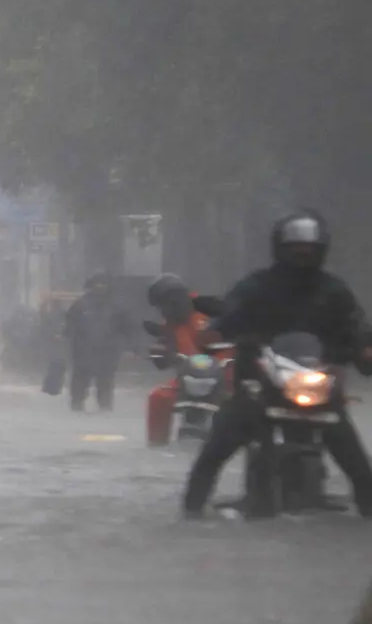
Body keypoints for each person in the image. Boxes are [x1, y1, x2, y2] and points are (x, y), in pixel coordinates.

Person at [182, 209, 372, 518]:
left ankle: (368, 510)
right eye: (294, 248)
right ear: (280, 249)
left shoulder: (335, 292)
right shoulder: (256, 286)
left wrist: (363, 350)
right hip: (259, 384)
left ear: (321, 251)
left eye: (309, 249)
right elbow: (228, 314)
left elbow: (357, 327)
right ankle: (191, 512)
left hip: (317, 386)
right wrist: (215, 331)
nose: (302, 254)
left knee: (356, 461)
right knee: (216, 448)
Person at [144, 274, 214, 445]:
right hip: (187, 379)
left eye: (165, 304)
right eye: (161, 306)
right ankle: (157, 444)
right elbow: (164, 353)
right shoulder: (170, 324)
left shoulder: (209, 312)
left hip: (222, 378)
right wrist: (160, 354)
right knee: (158, 397)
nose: (164, 310)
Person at [63, 272, 134, 411]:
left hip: (107, 352)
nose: (100, 286)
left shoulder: (116, 307)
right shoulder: (80, 305)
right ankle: (77, 405)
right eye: (97, 283)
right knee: (80, 382)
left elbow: (127, 328)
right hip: (83, 351)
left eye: (103, 283)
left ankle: (105, 408)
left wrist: (130, 348)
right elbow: (70, 326)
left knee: (105, 383)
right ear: (91, 285)